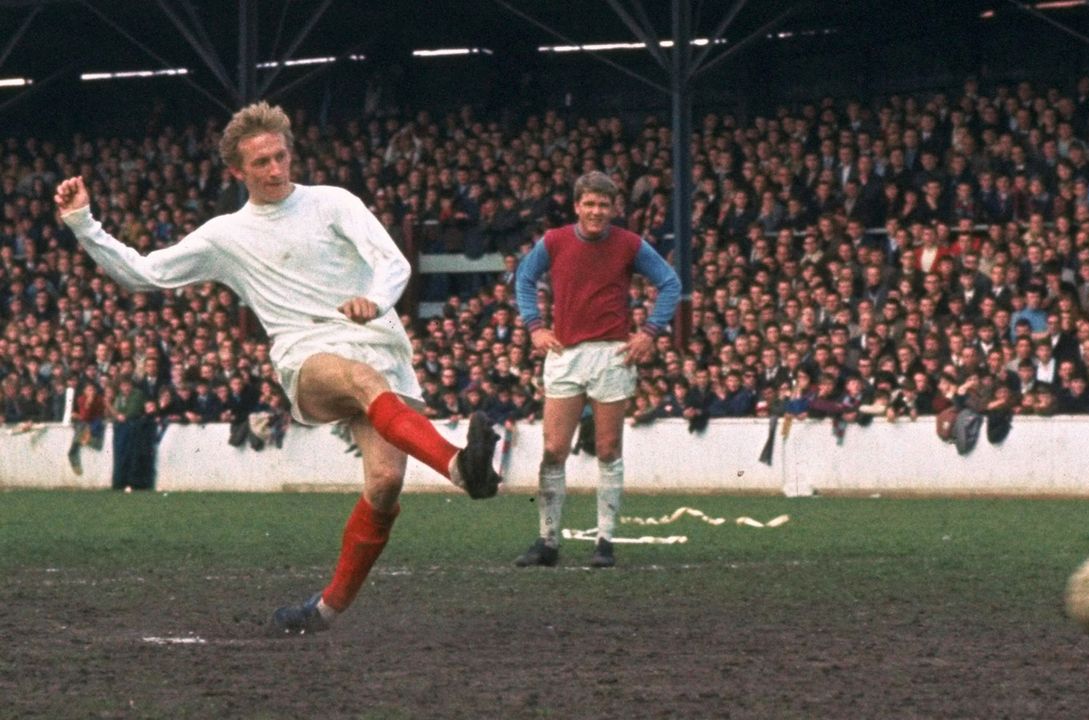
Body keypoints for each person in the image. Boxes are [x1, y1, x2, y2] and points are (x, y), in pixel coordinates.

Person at [54, 101, 502, 636]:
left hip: (377, 343)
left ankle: (324, 610)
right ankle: (459, 467)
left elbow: (394, 263)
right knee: (361, 383)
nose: (274, 170)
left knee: (384, 483)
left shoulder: (333, 203)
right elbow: (143, 274)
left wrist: (376, 302)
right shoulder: (226, 235)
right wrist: (83, 222)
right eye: (260, 162)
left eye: (280, 156)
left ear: (292, 153)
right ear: (237, 172)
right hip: (305, 352)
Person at [513, 171, 680, 568]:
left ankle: (605, 542)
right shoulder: (554, 241)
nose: (596, 211)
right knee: (553, 450)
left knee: (608, 449)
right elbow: (523, 278)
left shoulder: (629, 244)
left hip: (612, 354)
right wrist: (535, 327)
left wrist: (649, 332)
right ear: (577, 206)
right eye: (589, 204)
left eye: (603, 205)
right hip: (566, 354)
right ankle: (548, 541)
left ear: (613, 208)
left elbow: (670, 283)